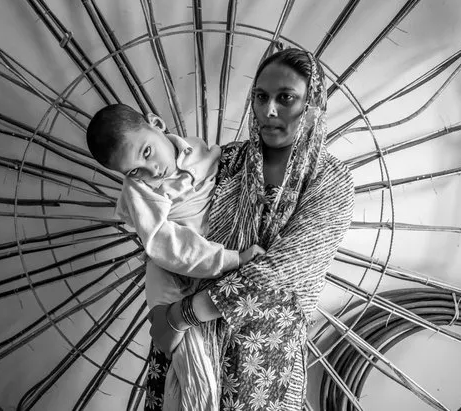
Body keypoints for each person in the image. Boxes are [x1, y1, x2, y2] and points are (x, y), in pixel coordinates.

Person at [145, 48, 355, 410]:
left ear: (313, 104)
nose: (268, 111)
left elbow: (277, 275)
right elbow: (170, 224)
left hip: (262, 358)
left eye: (285, 98)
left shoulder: (330, 181)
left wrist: (179, 316)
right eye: (261, 97)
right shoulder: (223, 161)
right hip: (189, 349)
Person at [86, 104, 265, 411]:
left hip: (211, 250)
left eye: (146, 152)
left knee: (205, 343)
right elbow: (163, 244)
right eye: (133, 171)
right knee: (182, 350)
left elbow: (222, 168)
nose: (151, 171)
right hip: (170, 264)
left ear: (157, 123)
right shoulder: (139, 190)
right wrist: (230, 259)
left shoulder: (197, 149)